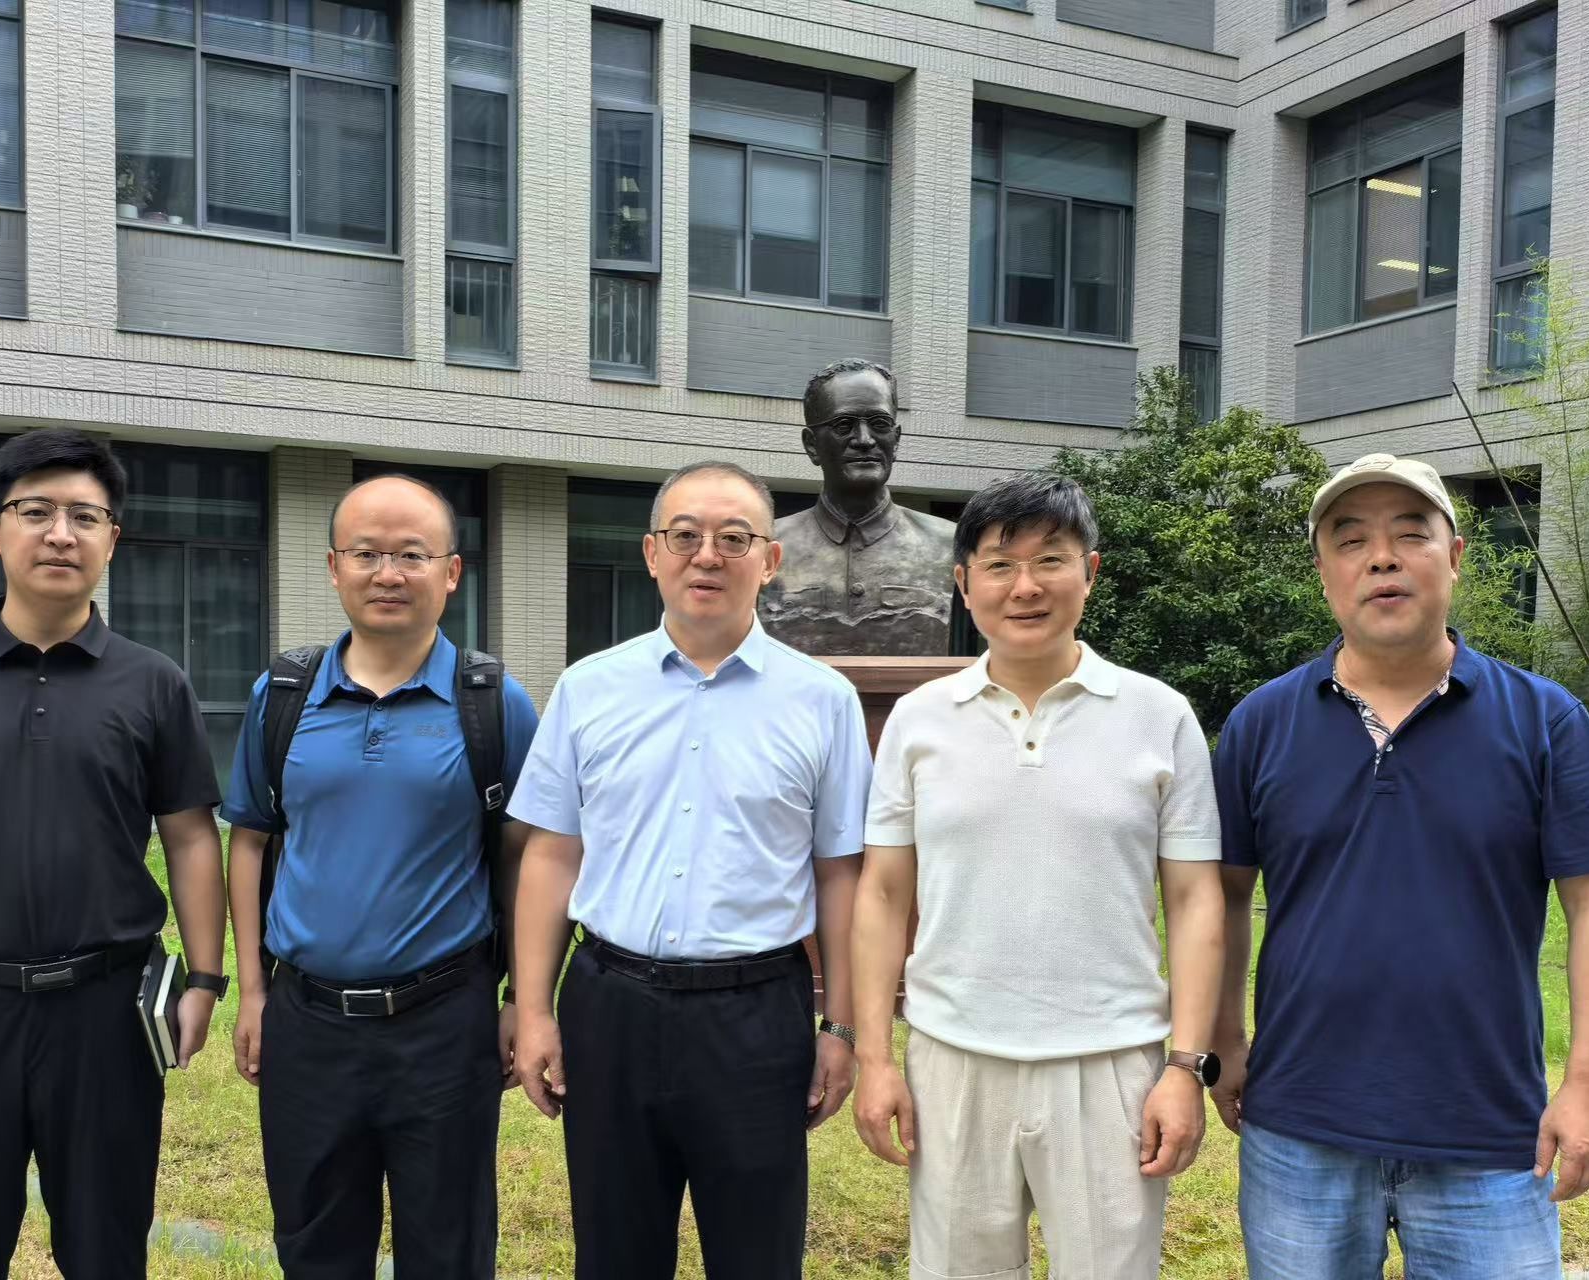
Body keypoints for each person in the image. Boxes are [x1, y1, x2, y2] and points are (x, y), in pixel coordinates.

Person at [1211, 452, 1589, 1279]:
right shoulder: (1260, 724)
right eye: (1351, 541)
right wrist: (1225, 1036)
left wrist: (1586, 1082)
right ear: (1324, 574)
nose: (1381, 558)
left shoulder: (1547, 720)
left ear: (1454, 558)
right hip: (1299, 1128)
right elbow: (1223, 897)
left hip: (1491, 1135)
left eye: (1410, 534)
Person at [850, 473, 1226, 1280]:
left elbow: (1196, 901)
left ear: (1090, 572)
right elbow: (881, 895)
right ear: (964, 583)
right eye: (999, 564)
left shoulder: (1159, 716)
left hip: (1112, 1060)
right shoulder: (919, 720)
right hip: (953, 1056)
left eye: (1050, 560)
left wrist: (1184, 1066)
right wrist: (875, 1058)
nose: (1025, 587)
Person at [509, 460, 873, 1280]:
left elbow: (840, 874)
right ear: (652, 553)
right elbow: (552, 854)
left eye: (734, 539)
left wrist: (841, 1028)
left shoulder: (823, 701)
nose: (708, 555)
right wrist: (533, 1011)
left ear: (770, 560)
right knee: (614, 1253)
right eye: (686, 536)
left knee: (756, 1256)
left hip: (756, 1016)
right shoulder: (587, 689)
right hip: (611, 1006)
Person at [0, 427, 227, 1279]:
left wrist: (204, 979)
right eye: (36, 511)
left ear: (113, 538)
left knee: (107, 1249)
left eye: (85, 516)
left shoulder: (154, 683)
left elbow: (191, 836)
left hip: (107, 1011)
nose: (60, 534)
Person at [223, 473, 537, 1279]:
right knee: (315, 1245)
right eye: (366, 554)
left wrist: (520, 1001)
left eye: (411, 555)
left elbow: (525, 858)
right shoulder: (282, 695)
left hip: (445, 1022)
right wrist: (253, 992)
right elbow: (250, 841)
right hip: (308, 1020)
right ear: (334, 568)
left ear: (451, 572)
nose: (388, 573)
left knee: (449, 1248)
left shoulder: (493, 701)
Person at [759, 359, 958, 656]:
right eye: (843, 425)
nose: (865, 440)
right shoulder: (765, 545)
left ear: (896, 440)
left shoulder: (951, 542)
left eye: (879, 424)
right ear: (811, 444)